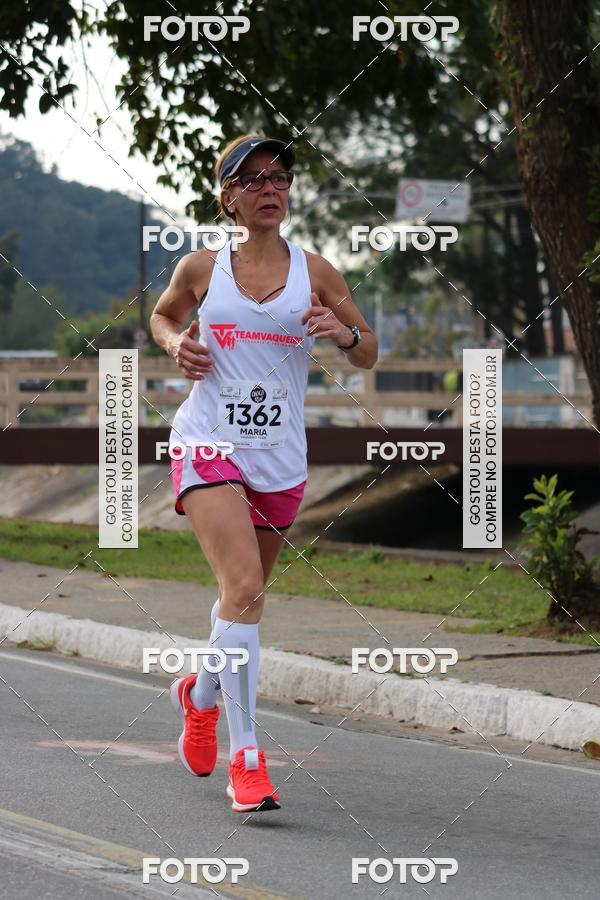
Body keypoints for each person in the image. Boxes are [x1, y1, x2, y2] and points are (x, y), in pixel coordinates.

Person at [150, 133, 378, 812]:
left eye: (278, 177)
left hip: (279, 457)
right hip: (206, 442)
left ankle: (201, 693)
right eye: (251, 180)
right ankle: (246, 760)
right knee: (246, 587)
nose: (269, 188)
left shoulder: (320, 273)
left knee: (239, 602)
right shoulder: (200, 269)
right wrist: (175, 345)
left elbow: (366, 352)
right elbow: (162, 317)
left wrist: (341, 335)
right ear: (228, 199)